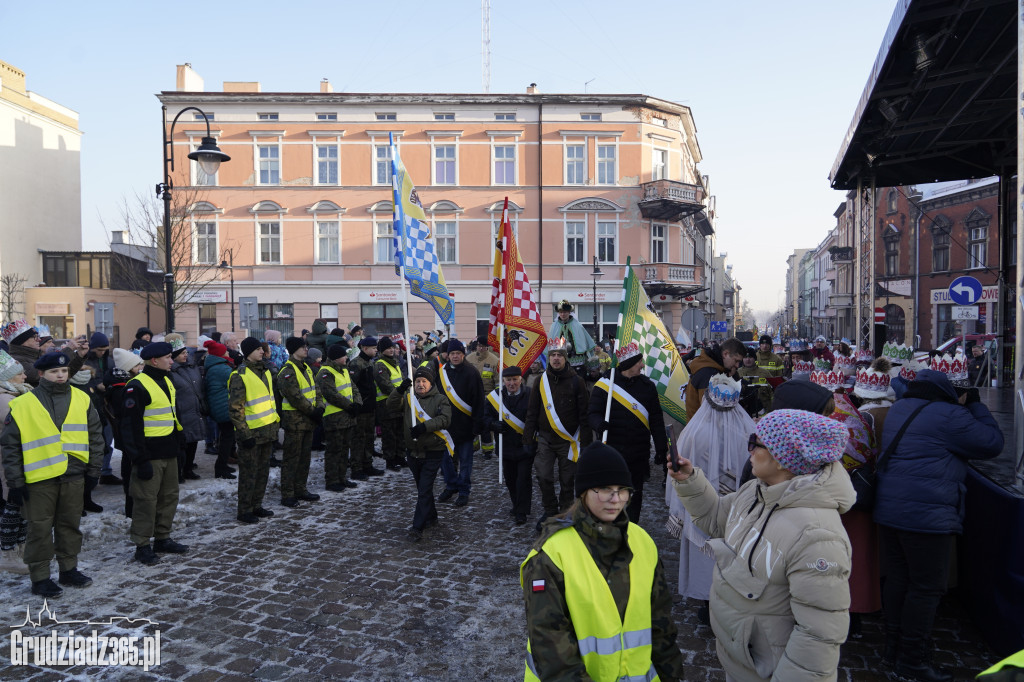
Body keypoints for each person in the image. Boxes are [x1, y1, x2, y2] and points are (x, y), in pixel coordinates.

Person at [670, 409, 855, 682]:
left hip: (768, 669)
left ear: (782, 458)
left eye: (756, 443)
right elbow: (717, 519)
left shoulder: (817, 535)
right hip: (742, 659)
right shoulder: (755, 491)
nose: (749, 451)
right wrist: (690, 481)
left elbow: (819, 634)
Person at [874, 368, 1003, 682]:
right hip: (926, 517)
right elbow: (992, 443)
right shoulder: (949, 416)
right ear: (947, 393)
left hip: (890, 510)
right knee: (926, 588)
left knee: (898, 579)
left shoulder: (900, 408)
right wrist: (975, 404)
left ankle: (892, 648)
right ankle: (911, 659)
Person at [520, 442, 685, 681]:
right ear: (584, 492)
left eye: (623, 489)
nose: (616, 499)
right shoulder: (551, 555)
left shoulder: (643, 542)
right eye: (605, 489)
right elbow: (551, 646)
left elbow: (661, 625)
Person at [1, 352, 104, 596]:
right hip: (39, 480)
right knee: (39, 529)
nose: (60, 375)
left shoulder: (82, 398)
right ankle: (40, 578)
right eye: (54, 372)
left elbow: (95, 436)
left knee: (70, 525)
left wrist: (94, 470)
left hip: (74, 476)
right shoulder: (23, 403)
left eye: (64, 371)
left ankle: (69, 570)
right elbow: (11, 447)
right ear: (41, 374)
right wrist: (15, 482)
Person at [666, 373, 753, 625]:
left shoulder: (693, 433)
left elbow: (678, 476)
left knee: (704, 556)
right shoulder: (748, 431)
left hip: (699, 509)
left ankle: (707, 601)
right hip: (735, 510)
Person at [121, 342, 190, 565]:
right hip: (149, 455)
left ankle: (162, 537)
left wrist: (180, 444)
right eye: (168, 357)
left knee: (169, 497)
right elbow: (130, 427)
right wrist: (139, 459)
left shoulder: (166, 380)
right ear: (154, 360)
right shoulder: (137, 386)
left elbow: (172, 414)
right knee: (145, 501)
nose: (172, 360)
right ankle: (142, 545)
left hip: (169, 452)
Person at [588, 342, 667, 523]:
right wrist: (599, 425)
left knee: (634, 494)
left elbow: (656, 420)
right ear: (629, 364)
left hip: (639, 452)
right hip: (612, 452)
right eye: (639, 361)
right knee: (612, 493)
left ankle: (631, 529)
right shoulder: (605, 385)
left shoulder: (648, 387)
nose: (642, 365)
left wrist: (662, 448)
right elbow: (592, 413)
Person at [523, 337, 592, 532]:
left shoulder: (577, 381)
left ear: (565, 358)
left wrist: (586, 444)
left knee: (568, 479)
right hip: (545, 438)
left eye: (559, 355)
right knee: (544, 476)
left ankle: (566, 512)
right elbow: (532, 411)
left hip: (569, 441)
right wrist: (528, 439)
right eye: (552, 355)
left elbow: (584, 415)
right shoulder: (539, 381)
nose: (555, 359)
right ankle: (550, 510)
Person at [387, 366, 452, 542]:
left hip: (433, 452)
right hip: (413, 452)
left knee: (423, 490)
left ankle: (417, 527)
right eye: (417, 381)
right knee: (423, 488)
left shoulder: (440, 399)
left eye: (424, 381)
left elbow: (445, 419)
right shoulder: (408, 399)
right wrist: (400, 389)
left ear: (431, 384)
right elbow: (390, 405)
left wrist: (424, 427)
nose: (420, 384)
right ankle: (432, 517)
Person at [228, 338, 280, 524]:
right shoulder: (239, 375)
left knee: (262, 471)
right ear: (248, 352)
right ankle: (245, 510)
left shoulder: (264, 371)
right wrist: (244, 433)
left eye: (262, 349)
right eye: (258, 349)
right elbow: (236, 409)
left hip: (267, 429)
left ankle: (257, 505)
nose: (262, 352)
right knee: (249, 473)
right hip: (251, 434)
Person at [436, 339, 485, 507]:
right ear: (447, 355)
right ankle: (451, 486)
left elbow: (479, 400)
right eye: (452, 354)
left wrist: (477, 425)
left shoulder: (472, 373)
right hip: (446, 426)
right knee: (445, 460)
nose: (455, 356)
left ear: (463, 355)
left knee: (465, 461)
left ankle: (464, 490)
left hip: (466, 425)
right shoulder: (441, 373)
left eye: (458, 353)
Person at [277, 336, 323, 507]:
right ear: (294, 349)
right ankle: (288, 493)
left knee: (304, 458)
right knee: (291, 459)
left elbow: (316, 389)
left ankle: (300, 489)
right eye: (303, 347)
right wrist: (314, 412)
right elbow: (295, 397)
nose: (306, 349)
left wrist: (319, 407)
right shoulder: (287, 371)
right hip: (295, 422)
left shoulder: (307, 368)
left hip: (308, 420)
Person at [484, 366, 533, 525]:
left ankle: (522, 511)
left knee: (523, 479)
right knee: (510, 479)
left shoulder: (531, 394)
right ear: (503, 381)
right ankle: (516, 503)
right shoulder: (495, 397)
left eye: (515, 380)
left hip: (525, 446)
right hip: (505, 446)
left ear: (521, 380)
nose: (512, 383)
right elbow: (483, 417)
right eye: (508, 380)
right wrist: (492, 424)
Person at [105, 348, 145, 514]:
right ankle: (131, 507)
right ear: (128, 368)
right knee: (129, 469)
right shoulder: (121, 388)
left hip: (125, 432)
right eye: (137, 365)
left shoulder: (122, 384)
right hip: (126, 434)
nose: (140, 367)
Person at [316, 344, 361, 491]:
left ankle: (342, 478)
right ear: (336, 358)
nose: (346, 357)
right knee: (334, 451)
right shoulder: (325, 372)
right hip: (334, 418)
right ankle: (332, 480)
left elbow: (353, 388)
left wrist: (357, 404)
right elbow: (330, 394)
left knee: (344, 450)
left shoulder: (344, 370)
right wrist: (350, 406)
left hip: (347, 416)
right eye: (343, 355)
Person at [165, 334, 205, 483]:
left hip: (194, 410)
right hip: (182, 411)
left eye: (186, 352)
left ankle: (188, 468)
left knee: (193, 442)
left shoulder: (191, 367)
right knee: (182, 445)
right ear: (174, 356)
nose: (186, 355)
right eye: (182, 353)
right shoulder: (171, 372)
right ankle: (179, 472)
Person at [1, 320, 88, 387]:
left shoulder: (37, 356)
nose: (39, 340)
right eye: (34, 337)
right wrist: (68, 349)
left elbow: (66, 374)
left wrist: (80, 356)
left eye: (38, 336)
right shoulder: (15, 361)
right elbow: (39, 374)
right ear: (22, 341)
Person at [83, 332, 120, 485]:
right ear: (93, 348)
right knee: (94, 442)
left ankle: (105, 471)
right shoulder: (84, 361)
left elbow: (112, 377)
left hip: (106, 405)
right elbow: (81, 382)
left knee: (107, 440)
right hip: (91, 405)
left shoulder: (109, 361)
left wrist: (109, 386)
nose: (102, 352)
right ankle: (91, 474)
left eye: (105, 349)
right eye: (99, 349)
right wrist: (95, 386)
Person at [348, 336, 384, 479]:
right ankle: (357, 468)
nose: (376, 351)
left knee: (369, 438)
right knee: (359, 439)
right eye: (374, 348)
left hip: (370, 408)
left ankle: (367, 465)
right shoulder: (356, 364)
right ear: (364, 348)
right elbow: (353, 386)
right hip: (361, 409)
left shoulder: (369, 363)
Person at [683, 337, 745, 419]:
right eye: (736, 361)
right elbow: (712, 413)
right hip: (704, 429)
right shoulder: (709, 374)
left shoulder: (711, 368)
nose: (737, 366)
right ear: (725, 354)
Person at [202, 341, 237, 479]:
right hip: (223, 407)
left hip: (219, 405)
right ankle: (221, 467)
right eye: (226, 352)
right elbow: (237, 380)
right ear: (220, 354)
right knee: (227, 438)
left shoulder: (216, 366)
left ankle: (222, 465)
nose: (228, 353)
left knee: (225, 437)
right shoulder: (221, 368)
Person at [373, 336, 407, 471]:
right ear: (382, 350)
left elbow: (401, 380)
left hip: (399, 402)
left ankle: (400, 456)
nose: (391, 350)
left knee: (400, 432)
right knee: (389, 434)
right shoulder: (380, 364)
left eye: (392, 347)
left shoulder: (395, 362)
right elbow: (385, 385)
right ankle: (390, 460)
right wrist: (401, 391)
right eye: (388, 348)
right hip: (386, 404)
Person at [466, 334, 499, 459]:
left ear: (487, 347)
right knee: (472, 423)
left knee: (485, 424)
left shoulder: (494, 361)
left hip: (487, 397)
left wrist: (494, 399)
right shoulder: (469, 359)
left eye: (484, 346)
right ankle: (474, 447)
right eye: (479, 346)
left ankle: (487, 450)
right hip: (471, 397)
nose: (481, 348)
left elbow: (497, 383)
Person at [548, 300, 596, 372]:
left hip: (577, 360)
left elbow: (587, 342)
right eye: (561, 312)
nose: (563, 314)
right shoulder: (554, 326)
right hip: (559, 360)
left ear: (569, 312)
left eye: (565, 312)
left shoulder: (578, 325)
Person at [738, 345, 773, 414]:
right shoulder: (736, 374)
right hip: (742, 413)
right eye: (745, 357)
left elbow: (773, 393)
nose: (748, 360)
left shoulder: (765, 373)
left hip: (763, 412)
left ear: (755, 358)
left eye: (750, 357)